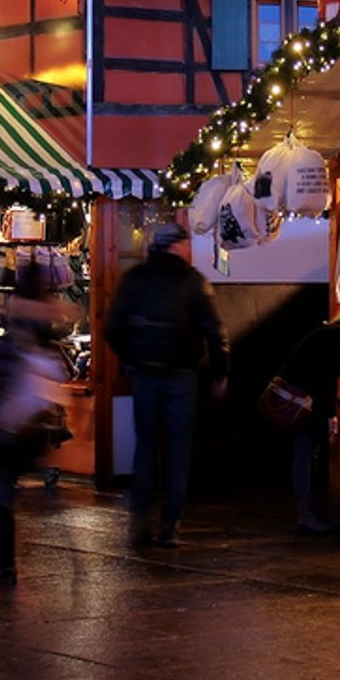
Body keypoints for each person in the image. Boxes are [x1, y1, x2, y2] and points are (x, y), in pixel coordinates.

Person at [103, 221, 229, 548]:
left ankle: (139, 521)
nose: (190, 250)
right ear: (176, 246)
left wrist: (131, 359)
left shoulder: (135, 280)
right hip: (181, 375)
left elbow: (113, 327)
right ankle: (170, 525)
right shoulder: (192, 282)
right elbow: (215, 331)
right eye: (187, 245)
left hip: (145, 375)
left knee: (145, 447)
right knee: (178, 450)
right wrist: (219, 372)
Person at [0, 263, 75, 586]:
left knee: (2, 497)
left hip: (13, 427)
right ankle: (6, 565)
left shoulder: (12, 345)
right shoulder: (49, 351)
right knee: (3, 495)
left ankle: (6, 565)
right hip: (32, 428)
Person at [272, 317, 340, 534]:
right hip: (308, 402)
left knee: (307, 456)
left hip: (305, 399)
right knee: (306, 455)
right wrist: (330, 414)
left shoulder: (330, 335)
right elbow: (333, 374)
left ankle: (313, 512)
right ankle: (308, 513)